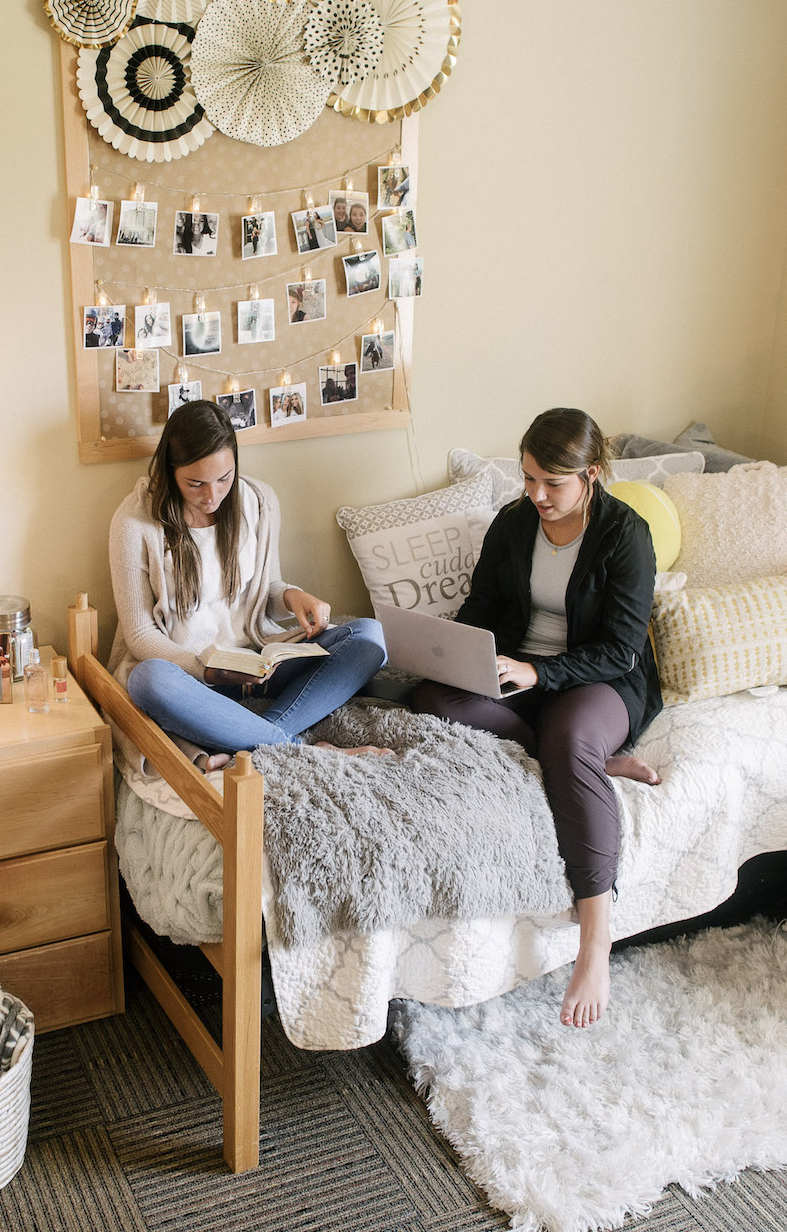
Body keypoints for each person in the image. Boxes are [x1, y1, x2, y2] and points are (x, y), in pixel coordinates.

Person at [410, 407, 664, 1030]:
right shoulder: (514, 522)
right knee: (429, 699)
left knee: (571, 732)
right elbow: (483, 604)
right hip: (520, 673)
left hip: (599, 680)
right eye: (528, 479)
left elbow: (622, 648)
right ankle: (587, 760)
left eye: (552, 483)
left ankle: (594, 944)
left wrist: (538, 674)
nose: (537, 495)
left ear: (592, 475)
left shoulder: (625, 536)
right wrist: (452, 651)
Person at [109, 400, 387, 766]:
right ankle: (298, 750)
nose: (212, 496)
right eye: (196, 483)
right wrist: (203, 669)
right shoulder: (135, 522)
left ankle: (254, 735)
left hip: (258, 663)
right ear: (170, 470)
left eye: (224, 479)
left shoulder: (259, 501)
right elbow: (141, 634)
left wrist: (291, 596)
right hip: (192, 678)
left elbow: (265, 592)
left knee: (367, 637)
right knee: (147, 681)